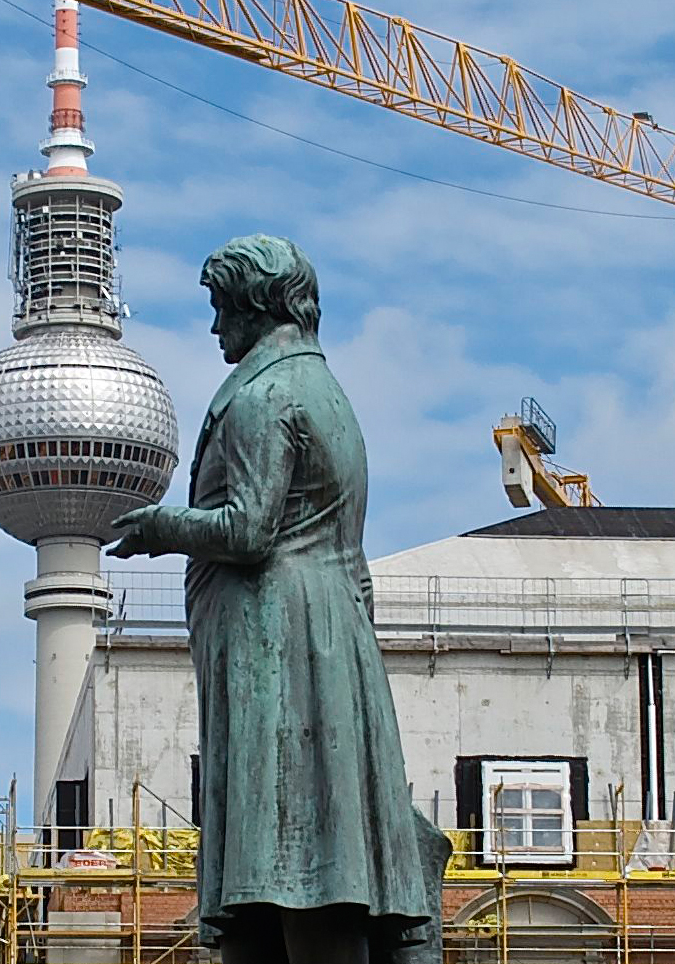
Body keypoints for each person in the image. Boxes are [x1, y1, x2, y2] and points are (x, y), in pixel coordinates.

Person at [108, 235, 439, 964]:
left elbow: (250, 530)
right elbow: (353, 567)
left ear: (257, 307)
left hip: (282, 645)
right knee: (295, 865)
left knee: (297, 866)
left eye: (221, 309)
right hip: (330, 641)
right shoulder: (329, 394)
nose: (215, 328)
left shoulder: (267, 396)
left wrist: (164, 527)